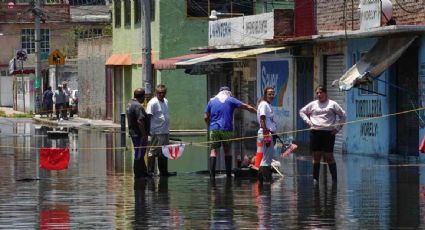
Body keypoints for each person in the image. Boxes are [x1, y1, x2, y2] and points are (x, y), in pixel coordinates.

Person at [204, 86, 257, 178]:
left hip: (214, 129)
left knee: (213, 151)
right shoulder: (231, 100)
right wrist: (257, 112)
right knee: (227, 151)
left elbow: (205, 116)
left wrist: (210, 125)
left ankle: (212, 176)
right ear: (228, 92)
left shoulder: (211, 101)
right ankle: (228, 175)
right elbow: (246, 106)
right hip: (227, 129)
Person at [299, 85, 346, 184]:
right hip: (315, 132)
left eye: (321, 92)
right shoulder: (313, 104)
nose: (319, 95)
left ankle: (334, 179)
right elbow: (302, 112)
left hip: (328, 133)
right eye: (317, 93)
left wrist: (337, 129)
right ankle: (315, 179)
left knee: (329, 156)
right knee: (316, 156)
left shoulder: (333, 104)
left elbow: (343, 115)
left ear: (325, 93)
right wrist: (308, 121)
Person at [146, 84, 176, 177]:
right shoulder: (152, 102)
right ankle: (150, 172)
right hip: (156, 131)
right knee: (153, 151)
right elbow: (148, 117)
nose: (161, 94)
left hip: (165, 131)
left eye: (163, 93)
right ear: (156, 93)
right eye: (159, 93)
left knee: (164, 151)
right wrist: (148, 131)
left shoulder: (166, 101)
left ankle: (163, 172)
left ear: (165, 93)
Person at [126, 88, 150, 179]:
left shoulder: (130, 104)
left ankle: (143, 171)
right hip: (138, 134)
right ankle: (138, 174)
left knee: (139, 152)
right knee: (139, 154)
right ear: (142, 96)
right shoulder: (138, 106)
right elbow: (140, 121)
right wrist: (144, 134)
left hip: (133, 133)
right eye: (144, 96)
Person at [256, 86, 277, 183]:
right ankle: (266, 181)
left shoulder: (267, 104)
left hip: (267, 132)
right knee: (267, 159)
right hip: (266, 133)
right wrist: (266, 133)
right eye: (269, 94)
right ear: (265, 95)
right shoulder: (264, 104)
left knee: (265, 158)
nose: (272, 95)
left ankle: (260, 181)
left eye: (273, 94)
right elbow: (262, 118)